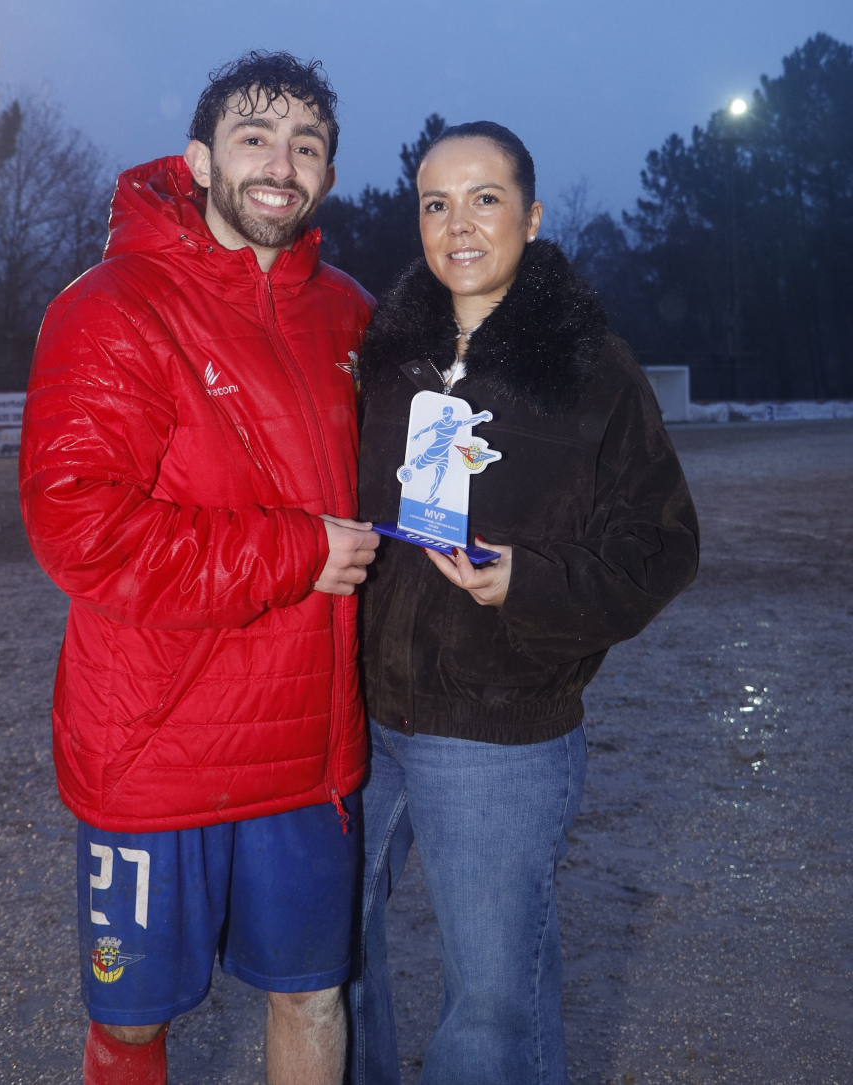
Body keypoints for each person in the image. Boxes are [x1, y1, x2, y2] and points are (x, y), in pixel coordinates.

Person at [19, 52, 378, 1085]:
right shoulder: (111, 306)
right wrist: (299, 549)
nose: (281, 161)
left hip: (306, 755)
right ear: (197, 159)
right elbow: (81, 530)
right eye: (255, 136)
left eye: (306, 144)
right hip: (152, 751)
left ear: (327, 177)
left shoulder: (349, 313)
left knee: (309, 996)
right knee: (133, 1023)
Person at [351, 121, 700, 1084]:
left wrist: (529, 581)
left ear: (533, 217)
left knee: (491, 1005)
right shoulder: (382, 357)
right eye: (434, 202)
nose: (457, 223)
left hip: (501, 734)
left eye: (485, 198)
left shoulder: (593, 369)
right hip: (360, 720)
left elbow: (662, 544)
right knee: (328, 959)